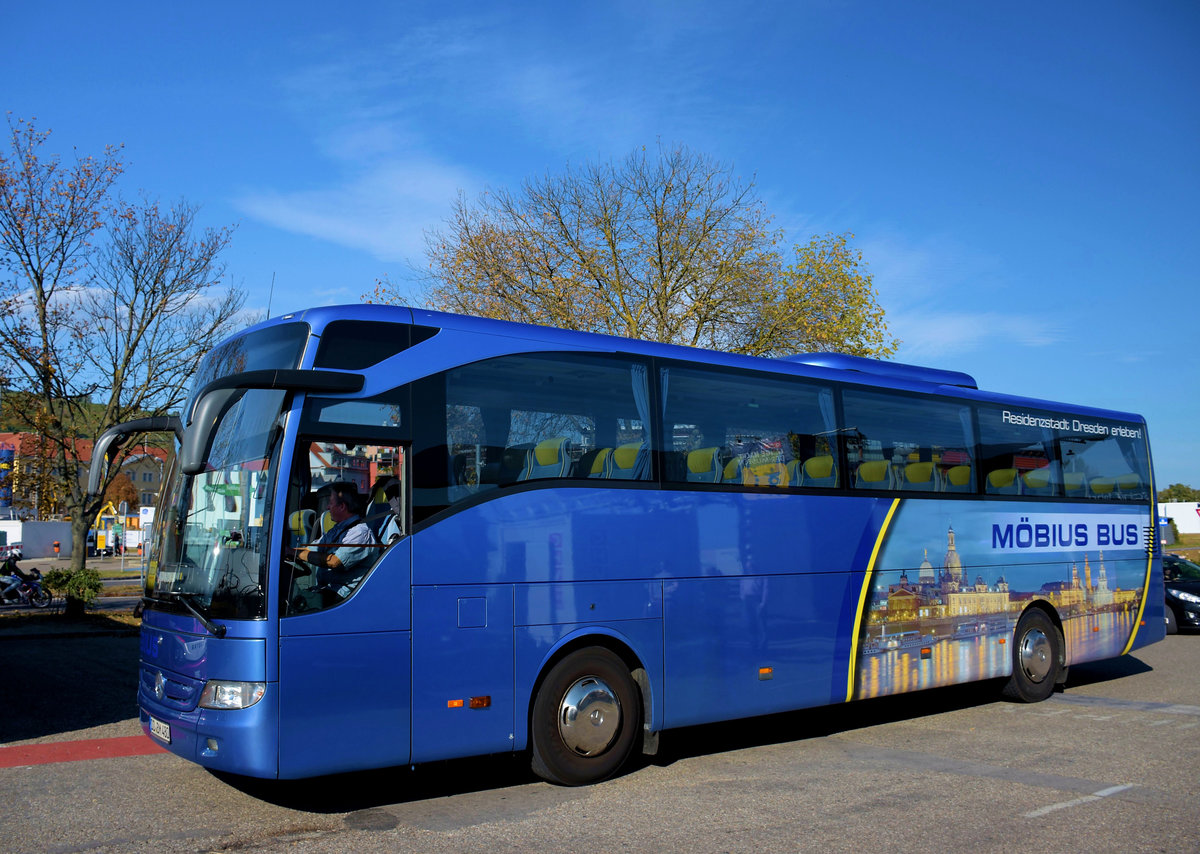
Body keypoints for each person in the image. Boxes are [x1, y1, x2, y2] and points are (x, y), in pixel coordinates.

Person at [286, 482, 377, 598]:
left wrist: (294, 553)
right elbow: (310, 549)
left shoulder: (359, 533)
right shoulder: (337, 530)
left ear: (342, 506)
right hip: (327, 589)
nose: (327, 507)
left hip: (345, 595)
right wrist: (287, 551)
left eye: (330, 503)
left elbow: (334, 561)